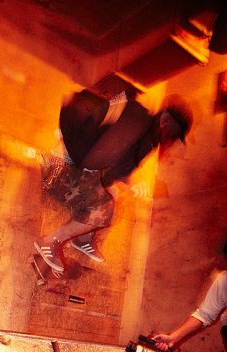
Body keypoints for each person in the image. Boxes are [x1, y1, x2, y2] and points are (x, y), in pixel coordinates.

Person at [35, 88, 193, 271]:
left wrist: (124, 184)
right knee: (104, 208)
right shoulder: (138, 124)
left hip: (69, 163)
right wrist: (122, 185)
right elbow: (98, 161)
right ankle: (50, 242)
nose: (171, 140)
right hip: (58, 168)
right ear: (166, 122)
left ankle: (82, 239)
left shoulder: (145, 132)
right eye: (174, 134)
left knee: (113, 199)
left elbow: (113, 167)